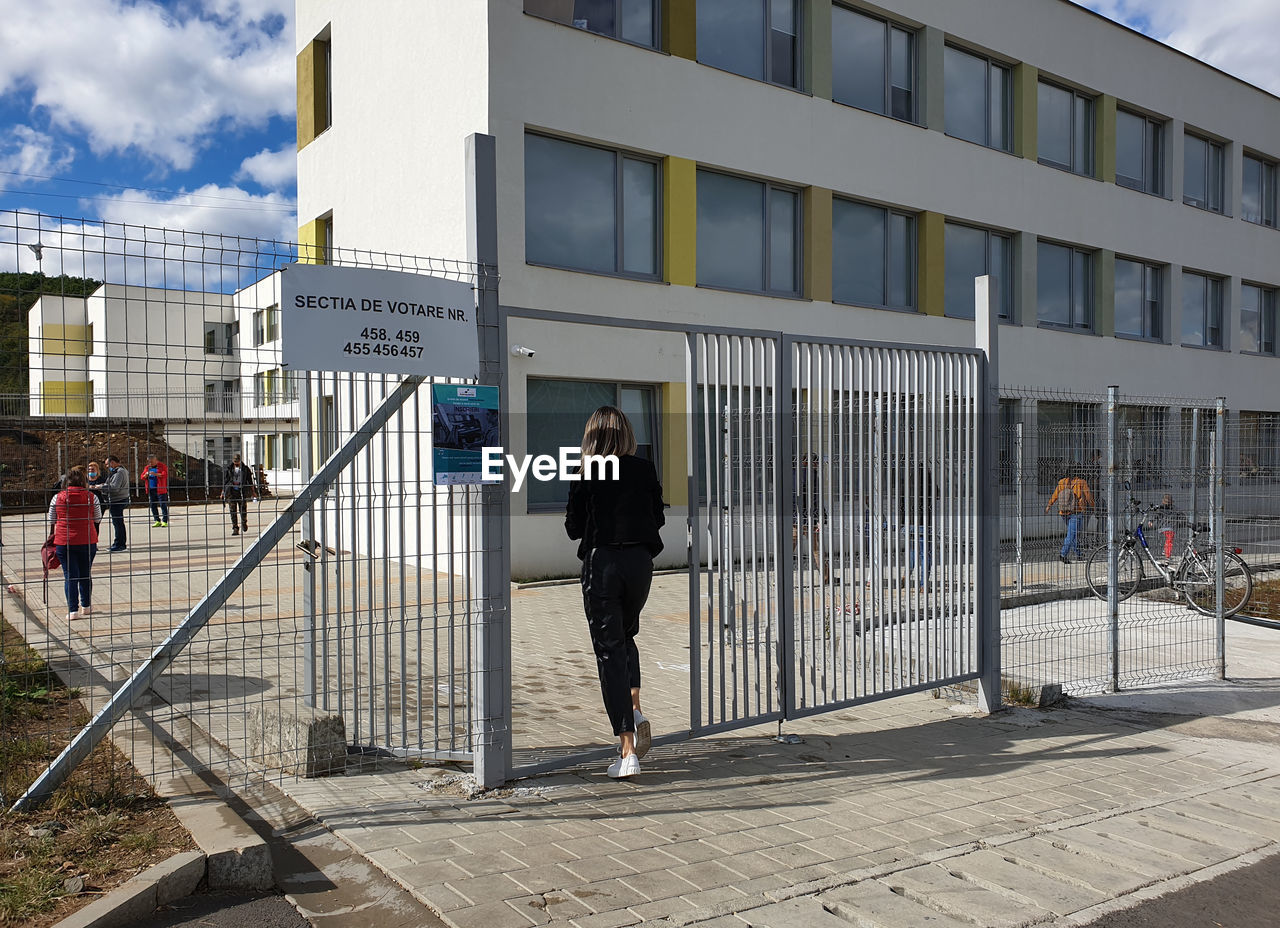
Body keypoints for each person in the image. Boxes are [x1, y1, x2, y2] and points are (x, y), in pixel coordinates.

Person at [565, 406, 665, 780]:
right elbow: (657, 517)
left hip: (603, 564)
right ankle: (635, 709)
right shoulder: (644, 468)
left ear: (591, 436)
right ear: (626, 433)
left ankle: (627, 751)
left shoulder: (587, 470)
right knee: (626, 637)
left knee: (609, 651)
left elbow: (574, 527)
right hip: (640, 564)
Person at [48, 466, 100, 620]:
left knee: (70, 576)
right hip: (88, 540)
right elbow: (97, 518)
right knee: (85, 574)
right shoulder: (92, 497)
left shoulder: (57, 498)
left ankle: (72, 611)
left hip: (65, 541)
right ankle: (86, 606)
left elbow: (51, 519)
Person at [1045, 467, 1093, 564]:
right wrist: (1093, 507)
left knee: (1073, 533)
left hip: (1063, 512)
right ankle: (1063, 554)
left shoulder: (1062, 482)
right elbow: (1088, 496)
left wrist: (1049, 505)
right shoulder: (1081, 482)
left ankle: (1079, 554)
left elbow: (1055, 495)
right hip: (1076, 512)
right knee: (1071, 534)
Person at [793, 453, 828, 582]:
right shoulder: (811, 476)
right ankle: (825, 576)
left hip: (793, 516)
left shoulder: (792, 475)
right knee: (816, 548)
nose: (817, 466)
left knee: (789, 547)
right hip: (808, 517)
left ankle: (780, 576)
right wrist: (819, 518)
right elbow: (814, 499)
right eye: (816, 463)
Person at [94, 455, 131, 552]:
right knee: (118, 523)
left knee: (118, 523)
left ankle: (119, 544)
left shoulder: (119, 472)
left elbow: (115, 487)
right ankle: (119, 543)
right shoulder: (120, 471)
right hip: (118, 499)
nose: (106, 466)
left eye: (107, 464)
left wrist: (101, 487)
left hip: (117, 500)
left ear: (113, 462)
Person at [221, 453, 258, 536]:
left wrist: (253, 492)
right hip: (231, 492)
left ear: (240, 461)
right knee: (232, 511)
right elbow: (225, 481)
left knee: (243, 510)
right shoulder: (229, 469)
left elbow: (250, 481)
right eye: (235, 462)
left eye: (237, 462)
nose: (236, 464)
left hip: (242, 492)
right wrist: (223, 492)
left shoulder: (245, 469)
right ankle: (235, 528)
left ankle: (244, 523)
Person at [142, 455, 169, 527]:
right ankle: (157, 520)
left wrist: (156, 474)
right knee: (153, 505)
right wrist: (145, 475)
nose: (150, 463)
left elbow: (164, 475)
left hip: (161, 489)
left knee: (163, 505)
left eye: (151, 462)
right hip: (151, 489)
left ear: (156, 460)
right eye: (149, 462)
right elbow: (142, 477)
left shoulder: (162, 466)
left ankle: (165, 521)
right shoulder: (147, 468)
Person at [1156, 493, 1179, 560]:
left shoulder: (1162, 508)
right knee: (1169, 541)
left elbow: (1157, 516)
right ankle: (1167, 555)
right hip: (1168, 527)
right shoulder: (1172, 508)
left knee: (1168, 540)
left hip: (1164, 527)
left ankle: (1165, 552)